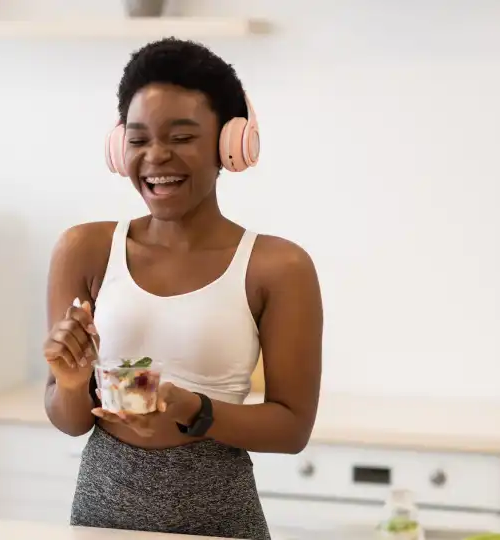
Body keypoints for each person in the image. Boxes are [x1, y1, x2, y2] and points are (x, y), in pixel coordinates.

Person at [42, 37, 323, 539]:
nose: (156, 157)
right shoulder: (84, 249)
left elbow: (292, 428)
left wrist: (196, 410)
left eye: (182, 136)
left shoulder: (278, 266)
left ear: (230, 144)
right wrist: (68, 382)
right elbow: (69, 420)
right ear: (118, 145)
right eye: (139, 138)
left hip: (220, 520)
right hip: (99, 517)